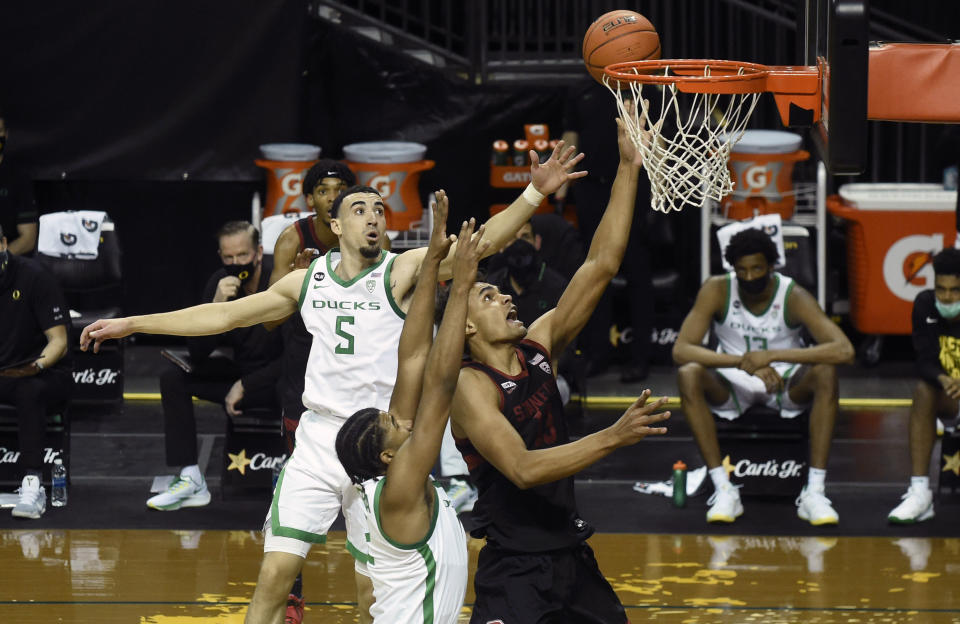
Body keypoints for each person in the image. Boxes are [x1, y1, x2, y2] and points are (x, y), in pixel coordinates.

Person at [79, 142, 585, 624]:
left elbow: (485, 242)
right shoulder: (307, 280)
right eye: (361, 209)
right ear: (336, 224)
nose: (373, 217)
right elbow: (223, 316)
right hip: (319, 441)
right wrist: (134, 323)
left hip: (383, 442)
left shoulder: (402, 270)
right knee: (273, 577)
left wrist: (534, 193)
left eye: (380, 210)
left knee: (371, 592)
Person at [449, 108, 670, 624]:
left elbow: (600, 265)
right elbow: (523, 470)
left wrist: (629, 166)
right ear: (464, 326)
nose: (504, 295)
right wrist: (613, 437)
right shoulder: (469, 385)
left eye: (500, 290)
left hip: (570, 553)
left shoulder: (537, 346)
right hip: (516, 570)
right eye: (487, 294)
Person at [335, 203, 485, 624]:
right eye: (393, 425)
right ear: (387, 457)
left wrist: (434, 262)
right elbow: (439, 385)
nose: (401, 418)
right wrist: (460, 288)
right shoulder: (401, 485)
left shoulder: (387, 476)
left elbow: (414, 356)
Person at [673, 227, 855, 525]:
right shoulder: (717, 289)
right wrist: (744, 363)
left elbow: (844, 350)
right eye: (741, 270)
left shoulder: (793, 295)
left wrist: (772, 356)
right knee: (688, 374)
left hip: (785, 383)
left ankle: (815, 492)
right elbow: (682, 350)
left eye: (756, 268)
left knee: (825, 372)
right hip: (733, 382)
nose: (748, 277)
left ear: (771, 266)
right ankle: (723, 489)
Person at [149, 220, 283, 511]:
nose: (236, 263)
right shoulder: (220, 282)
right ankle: (191, 477)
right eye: (228, 258)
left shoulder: (280, 279)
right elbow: (197, 352)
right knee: (173, 378)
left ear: (258, 252)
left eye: (243, 256)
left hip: (278, 379)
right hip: (241, 371)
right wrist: (217, 304)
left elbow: (297, 356)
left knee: (294, 382)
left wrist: (246, 385)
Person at [557, 78, 662, 383]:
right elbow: (571, 132)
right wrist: (564, 180)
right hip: (591, 189)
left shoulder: (647, 88)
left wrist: (659, 185)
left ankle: (640, 358)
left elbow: (659, 138)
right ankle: (597, 353)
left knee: (638, 275)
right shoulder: (580, 87)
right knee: (593, 272)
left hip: (636, 188)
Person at [0, 224, 71, 519]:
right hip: (3, 373)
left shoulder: (34, 278)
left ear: (3, 243)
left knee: (29, 390)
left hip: (42, 371)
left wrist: (35, 366)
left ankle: (32, 482)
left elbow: (59, 341)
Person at [887, 247, 960, 523]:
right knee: (923, 390)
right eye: (941, 289)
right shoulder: (925, 305)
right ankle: (919, 493)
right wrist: (944, 379)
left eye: (955, 291)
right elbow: (924, 360)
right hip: (950, 397)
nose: (947, 297)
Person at [0, 108, 39, 256]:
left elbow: (28, 239)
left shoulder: (18, 177)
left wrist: (2, 258)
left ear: (6, 135)